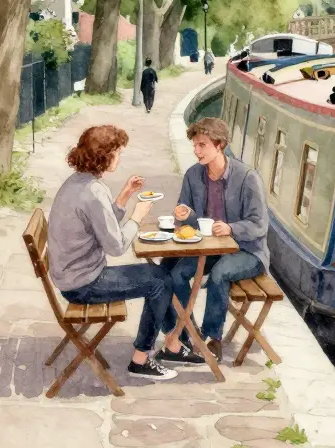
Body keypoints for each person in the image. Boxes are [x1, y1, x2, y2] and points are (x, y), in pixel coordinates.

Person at [47, 125, 205, 381]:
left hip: (73, 275)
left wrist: (124, 196)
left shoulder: (79, 182)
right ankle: (141, 359)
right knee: (159, 281)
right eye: (118, 153)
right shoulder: (92, 192)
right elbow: (116, 246)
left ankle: (173, 346)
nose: (119, 159)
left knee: (159, 274)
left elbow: (101, 224)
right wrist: (137, 217)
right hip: (84, 284)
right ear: (104, 155)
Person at [165, 117, 269, 361]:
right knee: (176, 274)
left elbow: (259, 225)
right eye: (194, 145)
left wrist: (231, 228)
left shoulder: (247, 178)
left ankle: (213, 339)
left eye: (202, 145)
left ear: (219, 145)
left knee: (220, 273)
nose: (196, 150)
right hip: (209, 248)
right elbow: (187, 217)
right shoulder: (193, 175)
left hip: (247, 251)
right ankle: (187, 333)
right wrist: (185, 214)